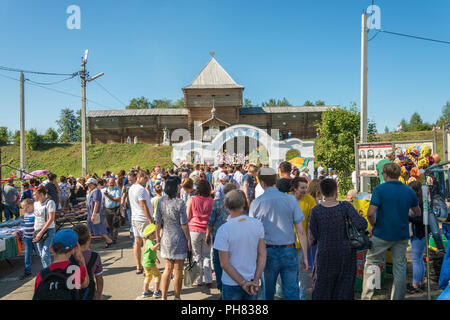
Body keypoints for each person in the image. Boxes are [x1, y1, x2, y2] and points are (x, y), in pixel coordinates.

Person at [361, 163, 421, 300]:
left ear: (385, 174)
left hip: (382, 233)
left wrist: (373, 225)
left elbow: (370, 213)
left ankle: (368, 296)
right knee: (399, 267)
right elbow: (417, 212)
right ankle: (397, 297)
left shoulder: (380, 189)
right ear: (399, 174)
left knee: (372, 263)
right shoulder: (409, 191)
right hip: (401, 234)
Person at [249, 167, 308, 300]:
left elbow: (253, 234)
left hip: (267, 252)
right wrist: (304, 255)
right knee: (292, 291)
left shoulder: (256, 203)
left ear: (261, 182)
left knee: (267, 292)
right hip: (289, 250)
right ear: (275, 180)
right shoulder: (290, 200)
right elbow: (301, 231)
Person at [309, 179, 368, 300]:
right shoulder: (345, 206)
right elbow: (362, 224)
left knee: (323, 287)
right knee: (344, 287)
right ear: (336, 191)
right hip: (345, 253)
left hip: (324, 253)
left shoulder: (316, 210)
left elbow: (313, 235)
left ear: (322, 192)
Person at [214, 190, 266, 300]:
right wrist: (256, 280)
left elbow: (224, 263)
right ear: (243, 203)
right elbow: (262, 254)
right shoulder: (257, 224)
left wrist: (243, 283)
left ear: (225, 205)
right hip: (252, 280)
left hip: (231, 282)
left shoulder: (223, 230)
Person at [155, 176, 192, 300]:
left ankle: (164, 297)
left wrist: (157, 238)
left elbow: (157, 222)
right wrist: (189, 239)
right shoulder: (180, 202)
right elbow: (184, 224)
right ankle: (177, 297)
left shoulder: (160, 201)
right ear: (176, 187)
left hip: (166, 237)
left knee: (167, 268)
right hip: (178, 238)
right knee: (178, 270)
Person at [33, 229, 89, 300]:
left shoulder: (41, 275)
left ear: (51, 248)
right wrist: (82, 260)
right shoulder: (76, 270)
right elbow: (85, 284)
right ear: (74, 249)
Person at [206, 183, 238, 295]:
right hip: (234, 235)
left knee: (218, 260)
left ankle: (221, 286)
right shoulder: (238, 204)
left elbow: (211, 220)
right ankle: (233, 282)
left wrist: (207, 234)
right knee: (232, 260)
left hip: (218, 235)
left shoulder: (217, 203)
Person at [291, 177, 317, 300]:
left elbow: (312, 223)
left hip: (302, 242)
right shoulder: (287, 199)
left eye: (306, 187)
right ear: (294, 188)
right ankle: (281, 293)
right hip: (287, 243)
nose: (305, 190)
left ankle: (302, 296)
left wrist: (309, 241)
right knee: (289, 272)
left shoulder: (310, 200)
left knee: (302, 271)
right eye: (302, 188)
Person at [187, 180, 214, 287]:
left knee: (196, 255)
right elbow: (212, 217)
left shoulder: (192, 199)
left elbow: (188, 215)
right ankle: (208, 279)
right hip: (207, 230)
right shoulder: (211, 200)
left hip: (194, 229)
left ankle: (198, 280)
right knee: (207, 255)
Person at [129, 170, 154, 274]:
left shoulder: (132, 188)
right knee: (145, 242)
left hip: (135, 218)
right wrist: (150, 219)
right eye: (145, 178)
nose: (147, 181)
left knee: (137, 241)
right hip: (142, 219)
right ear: (140, 177)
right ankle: (145, 266)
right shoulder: (141, 189)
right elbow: (143, 205)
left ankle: (139, 266)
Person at [72, 224, 104, 300]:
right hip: (90, 294)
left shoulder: (69, 256)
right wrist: (99, 296)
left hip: (72, 294)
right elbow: (99, 279)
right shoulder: (95, 256)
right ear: (89, 238)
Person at [406, 180, 426, 293]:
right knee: (419, 259)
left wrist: (408, 217)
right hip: (420, 233)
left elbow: (420, 220)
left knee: (416, 260)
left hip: (419, 234)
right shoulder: (422, 201)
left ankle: (415, 284)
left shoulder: (421, 203)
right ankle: (421, 281)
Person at [33, 185, 57, 268]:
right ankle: (46, 270)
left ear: (41, 194)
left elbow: (51, 219)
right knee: (41, 254)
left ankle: (49, 271)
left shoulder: (50, 202)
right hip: (37, 230)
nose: (34, 196)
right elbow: (36, 217)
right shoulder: (35, 204)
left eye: (35, 194)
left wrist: (41, 232)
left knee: (44, 253)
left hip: (48, 230)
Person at [85, 178, 114, 249]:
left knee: (99, 228)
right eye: (88, 184)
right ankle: (87, 245)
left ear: (94, 184)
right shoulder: (92, 191)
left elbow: (96, 203)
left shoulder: (96, 191)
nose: (88, 186)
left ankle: (109, 240)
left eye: (89, 184)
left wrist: (93, 214)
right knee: (90, 229)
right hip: (91, 213)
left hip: (95, 213)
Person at [141, 223, 162, 298]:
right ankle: (156, 292)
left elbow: (151, 252)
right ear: (150, 234)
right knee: (158, 275)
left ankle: (145, 291)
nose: (156, 234)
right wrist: (159, 243)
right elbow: (153, 248)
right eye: (154, 233)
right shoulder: (149, 242)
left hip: (146, 263)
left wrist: (156, 258)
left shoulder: (150, 241)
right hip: (149, 263)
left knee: (148, 276)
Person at [20, 198, 38, 280]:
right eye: (23, 207)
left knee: (41, 254)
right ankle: (27, 271)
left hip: (35, 238)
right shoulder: (26, 214)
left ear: (31, 206)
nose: (24, 209)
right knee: (27, 255)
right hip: (27, 238)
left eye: (25, 207)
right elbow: (24, 225)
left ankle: (49, 268)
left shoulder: (35, 213)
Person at [103, 178, 122, 244]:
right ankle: (111, 236)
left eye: (113, 182)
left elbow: (118, 199)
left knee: (115, 224)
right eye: (110, 182)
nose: (111, 183)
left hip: (115, 209)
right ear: (107, 183)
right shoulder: (105, 190)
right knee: (109, 225)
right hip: (107, 209)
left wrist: (109, 196)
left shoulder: (117, 189)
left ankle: (114, 239)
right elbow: (103, 199)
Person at [121, 170, 137, 243]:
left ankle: (136, 237)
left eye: (130, 179)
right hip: (129, 207)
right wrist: (121, 204)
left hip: (136, 208)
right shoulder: (127, 186)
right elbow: (124, 195)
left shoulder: (137, 185)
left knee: (135, 223)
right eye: (128, 179)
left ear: (134, 177)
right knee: (131, 222)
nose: (129, 180)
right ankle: (134, 238)